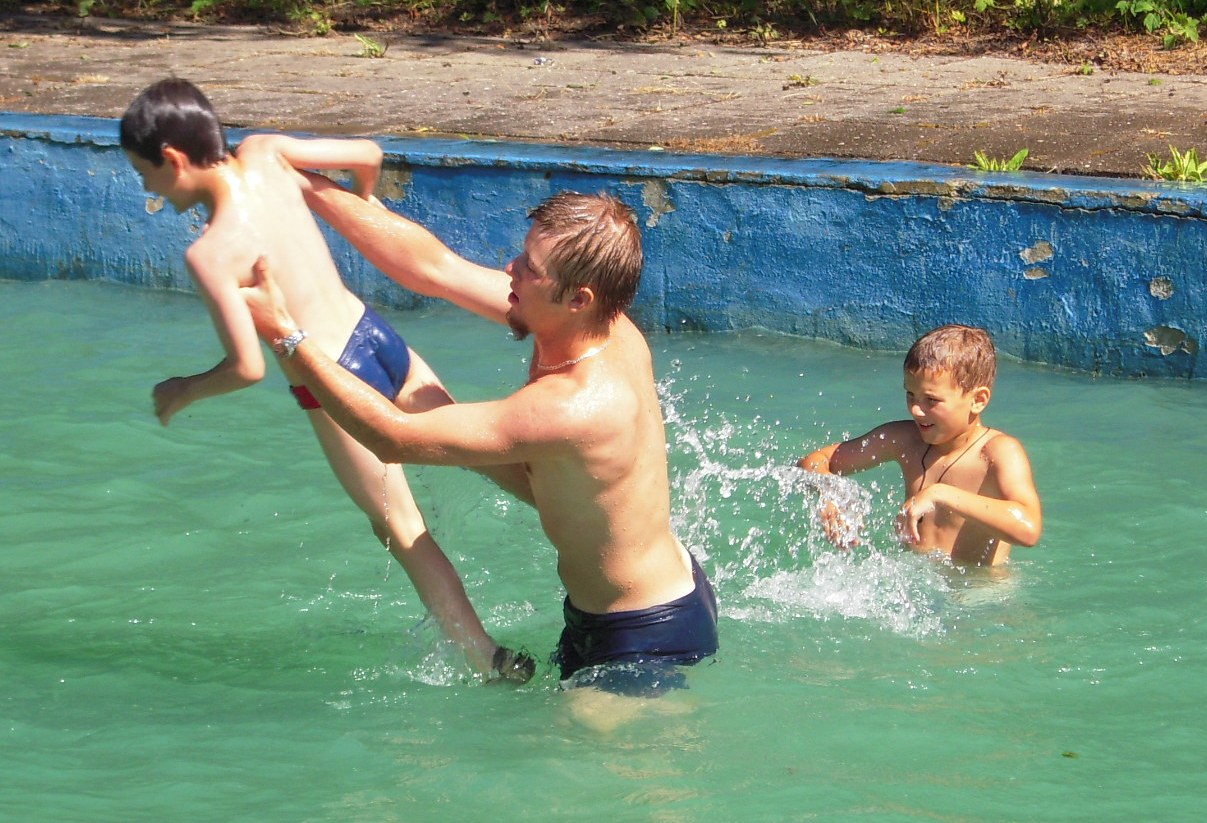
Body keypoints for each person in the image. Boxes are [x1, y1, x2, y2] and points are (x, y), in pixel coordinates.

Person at [119, 78, 532, 682]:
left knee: (402, 529)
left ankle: (488, 661)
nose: (148, 189)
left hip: (334, 382)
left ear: (174, 159)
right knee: (485, 458)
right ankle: (592, 521)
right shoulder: (266, 154)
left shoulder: (211, 253)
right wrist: (368, 202)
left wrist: (182, 389)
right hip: (378, 339)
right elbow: (368, 154)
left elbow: (247, 367)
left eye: (145, 174)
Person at [239, 184, 719, 694]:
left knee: (562, 745)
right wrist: (303, 186)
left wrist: (285, 336)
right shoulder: (591, 323)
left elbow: (391, 438)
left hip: (646, 638)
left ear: (579, 299)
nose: (511, 269)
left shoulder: (573, 405)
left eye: (530, 268)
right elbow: (435, 268)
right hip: (612, 609)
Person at [798, 324, 1042, 565]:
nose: (915, 409)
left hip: (979, 587)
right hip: (913, 580)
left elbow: (1028, 528)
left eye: (931, 400)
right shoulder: (904, 440)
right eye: (910, 395)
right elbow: (815, 460)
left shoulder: (997, 452)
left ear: (978, 400)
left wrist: (941, 494)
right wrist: (829, 493)